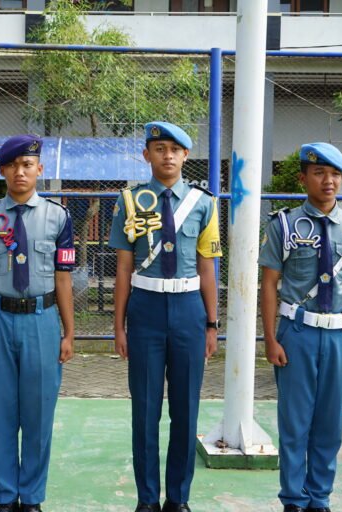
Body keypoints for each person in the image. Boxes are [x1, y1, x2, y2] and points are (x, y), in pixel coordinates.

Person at [109, 122, 221, 512]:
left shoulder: (204, 203)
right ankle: (146, 499)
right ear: (147, 155)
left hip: (189, 310)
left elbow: (207, 268)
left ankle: (178, 498)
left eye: (174, 149)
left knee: (185, 410)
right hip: (146, 310)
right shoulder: (129, 202)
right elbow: (123, 268)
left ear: (186, 155)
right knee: (145, 409)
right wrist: (118, 326)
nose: (167, 155)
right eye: (159, 149)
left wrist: (212, 323)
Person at [0, 135, 75, 512]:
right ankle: (4, 497)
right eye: (12, 166)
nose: (20, 172)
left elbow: (63, 279)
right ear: (2, 171)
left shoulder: (58, 217)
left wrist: (69, 332)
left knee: (39, 414)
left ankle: (31, 498)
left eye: (27, 165)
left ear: (39, 169)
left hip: (42, 322)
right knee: (0, 414)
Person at [259, 143, 342, 512]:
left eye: (336, 174)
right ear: (303, 178)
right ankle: (293, 499)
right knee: (295, 423)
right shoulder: (283, 225)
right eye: (320, 173)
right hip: (298, 334)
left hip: (339, 335)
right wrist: (270, 338)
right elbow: (269, 284)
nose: (329, 181)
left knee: (329, 424)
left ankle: (319, 497)